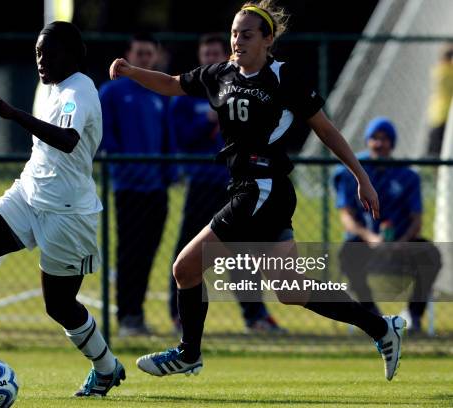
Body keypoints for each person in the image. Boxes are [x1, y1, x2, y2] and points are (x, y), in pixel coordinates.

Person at [108, 0, 405, 381]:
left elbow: (326, 130)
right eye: (234, 33)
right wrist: (132, 71)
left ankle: (188, 353)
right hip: (254, 190)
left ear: (268, 40)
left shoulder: (284, 78)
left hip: (261, 189)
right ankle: (382, 328)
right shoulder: (221, 75)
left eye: (246, 34)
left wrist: (362, 176)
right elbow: (170, 84)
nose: (237, 40)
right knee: (291, 290)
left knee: (185, 267)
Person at [0, 22, 125, 397]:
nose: (41, 60)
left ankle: (106, 368)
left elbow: (68, 141)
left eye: (49, 53)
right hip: (27, 195)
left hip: (68, 215)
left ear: (71, 55)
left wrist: (12, 113)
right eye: (37, 53)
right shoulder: (52, 87)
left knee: (59, 306)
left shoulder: (79, 91)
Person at [169, 33, 284, 334]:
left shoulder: (240, 88)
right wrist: (206, 120)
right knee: (187, 250)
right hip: (201, 183)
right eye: (204, 54)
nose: (209, 59)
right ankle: (177, 315)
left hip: (234, 185)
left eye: (214, 53)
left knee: (241, 251)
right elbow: (180, 137)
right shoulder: (190, 97)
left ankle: (255, 315)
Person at [335, 117, 441, 333]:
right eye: (374, 138)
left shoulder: (408, 176)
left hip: (400, 245)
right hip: (367, 242)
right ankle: (371, 315)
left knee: (430, 254)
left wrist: (401, 242)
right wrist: (370, 237)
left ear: (392, 143)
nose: (379, 144)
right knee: (347, 253)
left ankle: (413, 315)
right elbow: (346, 215)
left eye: (384, 139)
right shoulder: (351, 173)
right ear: (367, 141)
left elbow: (417, 219)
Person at [99, 33, 174, 336]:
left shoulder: (160, 92)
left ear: (154, 57)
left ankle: (138, 314)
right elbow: (106, 136)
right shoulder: (112, 92)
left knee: (148, 252)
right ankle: (126, 316)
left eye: (149, 54)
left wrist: (170, 173)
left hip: (157, 187)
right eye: (139, 53)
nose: (144, 58)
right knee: (129, 252)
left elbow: (168, 137)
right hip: (128, 187)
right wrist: (124, 166)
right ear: (129, 54)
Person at [426, 43, 453, 157]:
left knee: (435, 150)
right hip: (444, 117)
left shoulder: (438, 70)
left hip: (437, 116)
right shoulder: (446, 72)